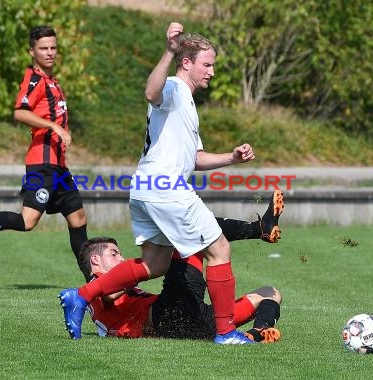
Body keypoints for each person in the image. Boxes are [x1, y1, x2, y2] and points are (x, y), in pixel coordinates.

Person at [59, 21, 280, 344]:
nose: (212, 72)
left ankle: (80, 295)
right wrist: (168, 51)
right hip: (166, 188)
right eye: (207, 64)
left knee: (155, 263)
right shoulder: (175, 88)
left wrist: (231, 158)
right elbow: (151, 92)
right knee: (218, 249)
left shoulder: (185, 103)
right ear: (186, 63)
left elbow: (195, 158)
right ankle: (225, 332)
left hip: (146, 186)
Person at [0, 26, 89, 279]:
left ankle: (93, 282)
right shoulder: (34, 80)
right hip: (41, 165)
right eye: (43, 48)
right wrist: (54, 126)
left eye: (53, 47)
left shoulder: (52, 82)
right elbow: (19, 112)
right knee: (27, 222)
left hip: (59, 166)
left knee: (78, 218)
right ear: (31, 51)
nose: (49, 52)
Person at [77, 191, 284, 342]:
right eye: (114, 254)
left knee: (271, 293)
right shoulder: (96, 286)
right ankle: (257, 229)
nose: (121, 259)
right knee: (187, 225)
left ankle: (257, 333)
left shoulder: (97, 290)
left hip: (187, 322)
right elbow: (109, 295)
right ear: (95, 261)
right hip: (169, 313)